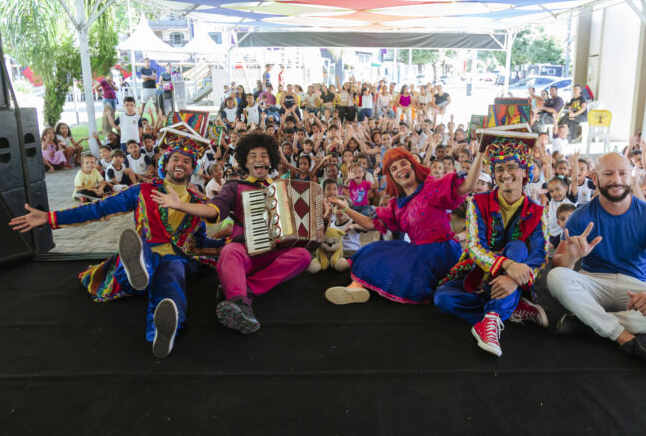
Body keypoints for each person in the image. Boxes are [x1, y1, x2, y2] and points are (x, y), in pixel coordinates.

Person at [9, 128, 223, 358]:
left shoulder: (198, 201)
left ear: (193, 168)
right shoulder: (142, 190)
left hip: (175, 258)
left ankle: (164, 331)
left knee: (172, 282)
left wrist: (231, 243)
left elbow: (202, 238)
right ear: (165, 163)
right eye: (175, 159)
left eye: (187, 161)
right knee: (142, 253)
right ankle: (137, 269)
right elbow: (99, 209)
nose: (181, 163)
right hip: (146, 248)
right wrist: (50, 218)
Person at [150, 132, 326, 335]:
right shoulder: (234, 187)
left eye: (264, 155)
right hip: (244, 253)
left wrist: (323, 215)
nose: (259, 159)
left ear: (271, 161)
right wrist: (180, 205)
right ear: (244, 161)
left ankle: (242, 294)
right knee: (229, 250)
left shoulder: (285, 189)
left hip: (274, 256)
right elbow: (213, 210)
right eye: (253, 156)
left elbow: (310, 229)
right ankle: (239, 301)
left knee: (303, 256)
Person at [547, 152, 646, 371]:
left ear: (631, 177)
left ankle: (588, 322)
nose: (616, 179)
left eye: (622, 173)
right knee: (556, 277)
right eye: (608, 174)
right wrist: (572, 257)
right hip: (594, 284)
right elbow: (559, 266)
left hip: (636, 288)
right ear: (595, 178)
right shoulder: (580, 215)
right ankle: (622, 335)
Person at [434, 134, 549, 357]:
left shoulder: (537, 211)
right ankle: (512, 307)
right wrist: (506, 265)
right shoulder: (477, 202)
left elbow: (541, 256)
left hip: (516, 274)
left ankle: (492, 319)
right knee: (442, 299)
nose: (505, 174)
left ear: (525, 171)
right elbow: (475, 247)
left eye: (512, 167)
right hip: (480, 273)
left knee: (518, 248)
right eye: (499, 170)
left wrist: (513, 277)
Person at [324, 146, 484, 306]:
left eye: (403, 164)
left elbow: (468, 186)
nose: (399, 169)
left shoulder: (432, 187)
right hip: (417, 253)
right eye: (394, 168)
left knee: (410, 278)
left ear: (413, 166)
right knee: (373, 251)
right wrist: (345, 207)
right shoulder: (396, 205)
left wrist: (482, 151)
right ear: (391, 176)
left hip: (442, 254)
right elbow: (368, 223)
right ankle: (355, 288)